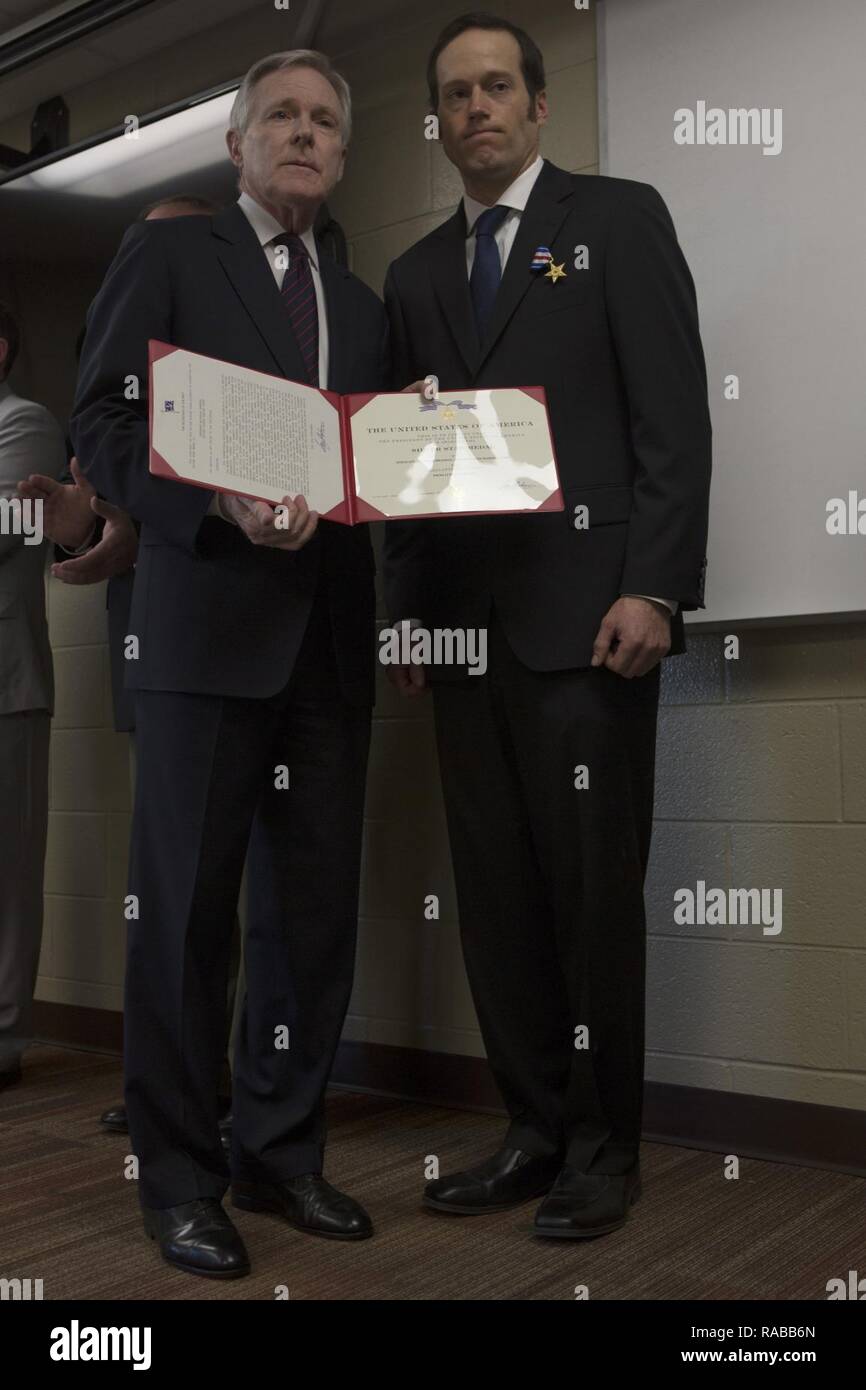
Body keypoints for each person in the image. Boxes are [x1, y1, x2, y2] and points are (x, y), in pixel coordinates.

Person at [383, 12, 711, 1239]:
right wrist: (403, 620)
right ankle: (527, 1128)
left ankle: (599, 1147)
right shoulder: (415, 275)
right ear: (441, 118)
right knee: (496, 897)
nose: (475, 107)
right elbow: (405, 476)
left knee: (586, 895)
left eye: (495, 87)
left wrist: (656, 588)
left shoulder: (616, 218)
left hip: (593, 628)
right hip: (463, 642)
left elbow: (672, 421)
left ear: (535, 106)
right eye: (454, 94)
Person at [70, 50, 388, 1278]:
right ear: (237, 146)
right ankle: (179, 1178)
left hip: (330, 650)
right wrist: (212, 504)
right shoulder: (169, 254)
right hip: (203, 637)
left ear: (343, 152)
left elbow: (371, 465)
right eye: (280, 118)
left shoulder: (357, 305)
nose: (302, 135)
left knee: (309, 922)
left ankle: (280, 1152)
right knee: (187, 918)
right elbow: (102, 415)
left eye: (323, 120)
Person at [20, 195, 238, 1147]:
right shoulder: (120, 375)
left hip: (254, 637)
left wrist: (130, 527)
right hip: (149, 632)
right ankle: (177, 1084)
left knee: (257, 879)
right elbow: (105, 505)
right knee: (173, 876)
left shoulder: (241, 356)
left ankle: (245, 1088)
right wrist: (87, 520)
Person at [0, 301, 66, 1089]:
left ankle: (5, 1037)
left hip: (5, 681)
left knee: (8, 868)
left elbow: (10, 523)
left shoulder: (26, 423)